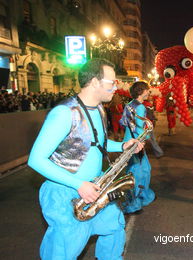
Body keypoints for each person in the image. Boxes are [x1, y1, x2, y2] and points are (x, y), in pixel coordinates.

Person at [28, 58, 144, 260]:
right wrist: (78, 184)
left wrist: (123, 146)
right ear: (94, 82)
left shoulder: (99, 109)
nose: (116, 87)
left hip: (95, 188)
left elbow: (96, 143)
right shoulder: (64, 113)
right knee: (63, 250)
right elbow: (36, 159)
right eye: (111, 82)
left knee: (114, 228)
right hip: (65, 194)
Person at [120, 81, 156, 214]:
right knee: (138, 173)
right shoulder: (140, 107)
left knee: (143, 170)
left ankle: (143, 196)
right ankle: (132, 205)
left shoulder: (129, 105)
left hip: (129, 142)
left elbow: (125, 124)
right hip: (136, 144)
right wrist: (145, 138)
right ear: (141, 91)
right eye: (147, 90)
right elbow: (140, 127)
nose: (148, 92)